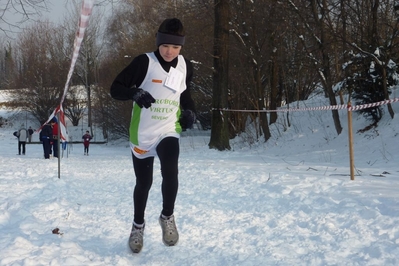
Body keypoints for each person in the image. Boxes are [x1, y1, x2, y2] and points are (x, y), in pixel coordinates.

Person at [110, 18, 196, 253]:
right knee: (143, 183)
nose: (170, 52)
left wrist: (190, 112)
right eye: (166, 45)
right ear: (158, 42)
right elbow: (115, 89)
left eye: (176, 47)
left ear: (181, 47)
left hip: (168, 129)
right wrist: (134, 92)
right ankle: (138, 226)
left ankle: (167, 216)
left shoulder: (185, 66)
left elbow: (185, 95)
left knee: (171, 169)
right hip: (143, 133)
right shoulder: (143, 62)